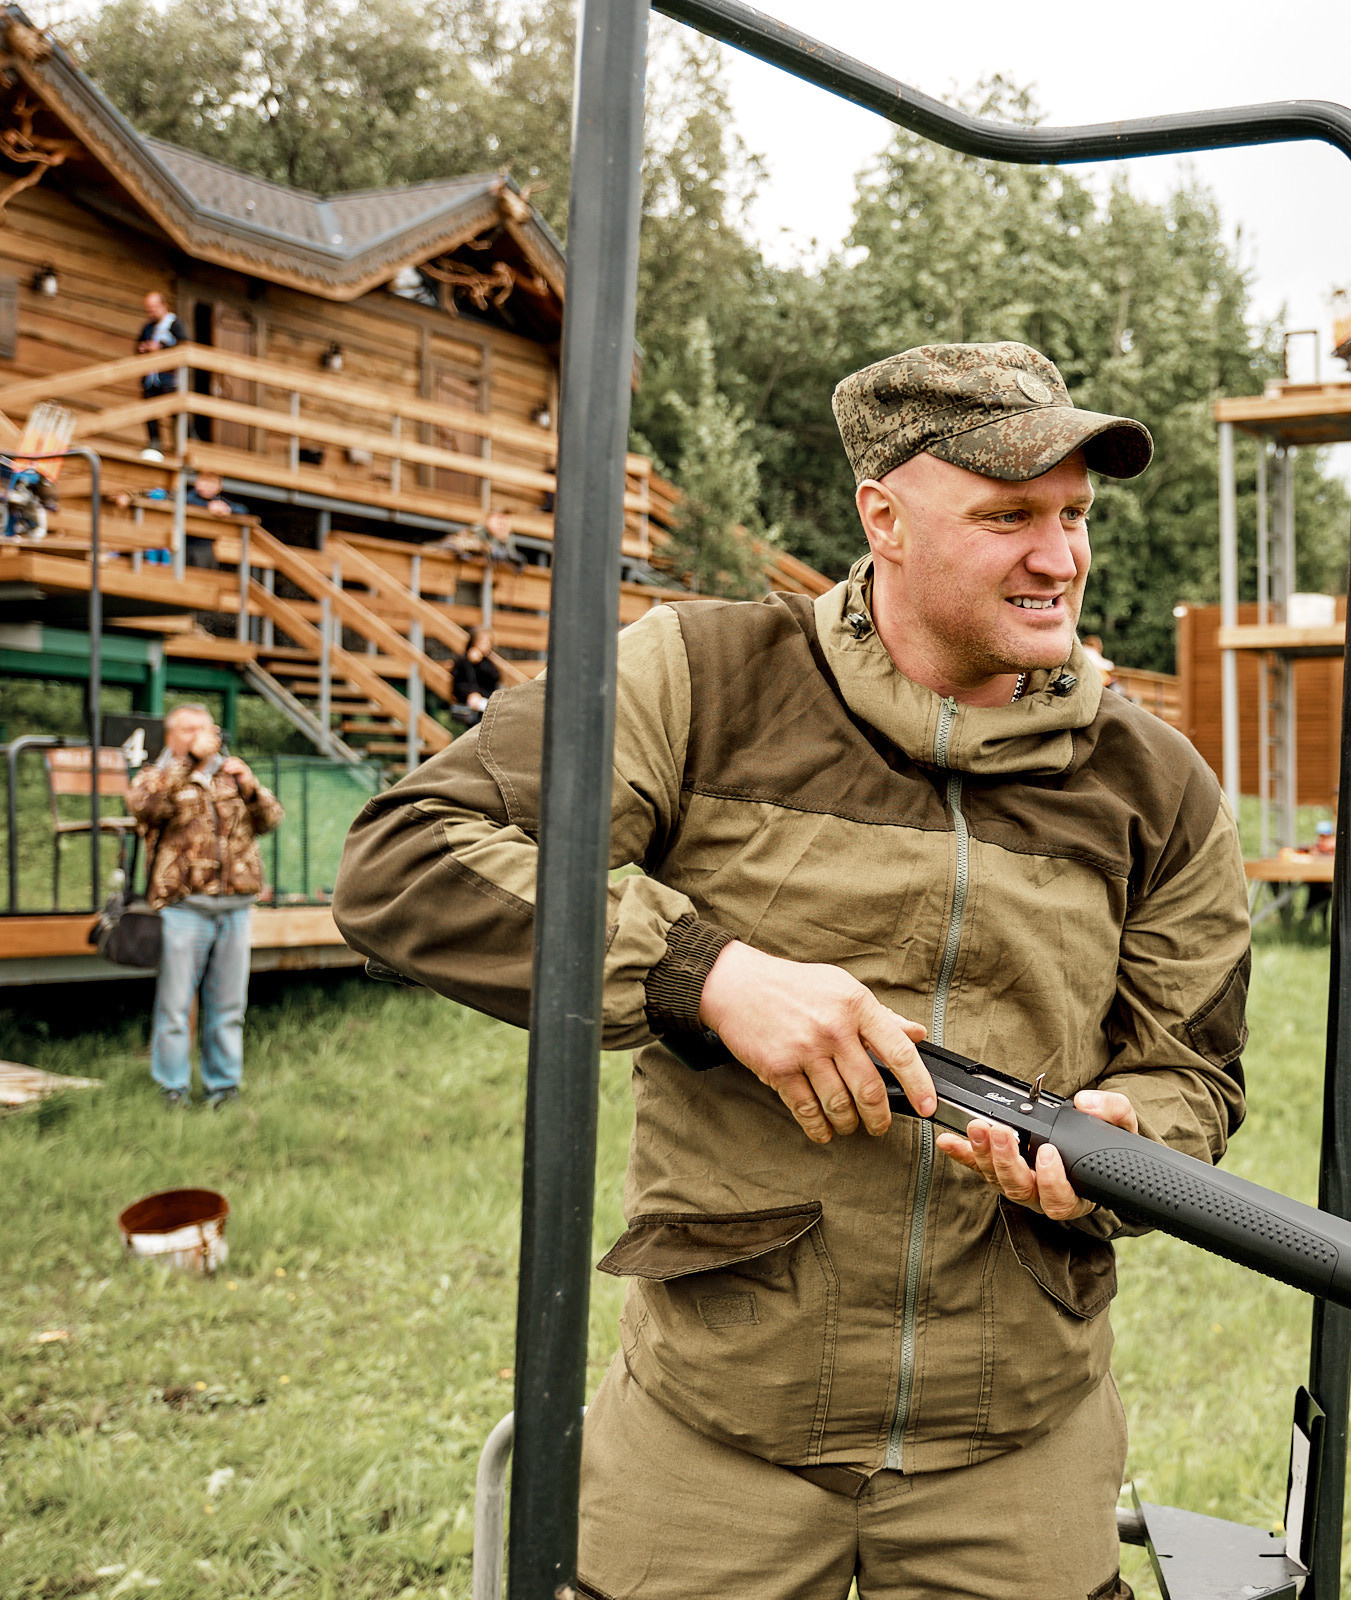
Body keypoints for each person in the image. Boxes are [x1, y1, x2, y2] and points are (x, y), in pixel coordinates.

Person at [335, 342, 1248, 1600]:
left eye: (1075, 516)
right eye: (1008, 517)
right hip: (716, 1423)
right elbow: (406, 858)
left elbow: (1194, 1071)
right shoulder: (700, 678)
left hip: (1017, 1434)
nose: (1059, 557)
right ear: (884, 518)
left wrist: (1129, 1135)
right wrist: (707, 975)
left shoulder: (1158, 782)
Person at [127, 703, 284, 1106]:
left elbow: (271, 819)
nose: (202, 735)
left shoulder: (231, 774)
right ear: (171, 737)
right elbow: (145, 808)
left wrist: (250, 786)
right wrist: (187, 764)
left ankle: (223, 1088)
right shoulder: (157, 776)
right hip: (184, 908)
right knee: (175, 1006)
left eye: (206, 728)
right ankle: (173, 1088)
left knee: (229, 1006)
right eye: (190, 729)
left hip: (235, 907)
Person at [134, 291, 181, 462]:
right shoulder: (148, 327)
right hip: (151, 378)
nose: (151, 311)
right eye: (148, 309)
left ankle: (184, 443)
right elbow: (137, 345)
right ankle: (154, 443)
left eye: (154, 308)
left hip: (169, 379)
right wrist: (143, 348)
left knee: (176, 413)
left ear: (163, 306)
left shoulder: (175, 324)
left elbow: (185, 344)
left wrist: (161, 348)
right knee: (149, 413)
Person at [448, 625, 501, 728]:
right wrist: (470, 694)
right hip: (467, 709)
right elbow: (457, 685)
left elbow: (494, 679)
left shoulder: (488, 664)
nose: (486, 645)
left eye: (488, 642)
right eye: (482, 641)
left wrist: (479, 663)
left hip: (485, 707)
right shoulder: (463, 662)